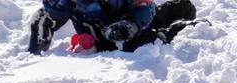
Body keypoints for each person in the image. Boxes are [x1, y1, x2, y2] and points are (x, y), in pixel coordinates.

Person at [28, 0, 200, 54]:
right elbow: (50, 15)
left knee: (184, 8)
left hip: (134, 22)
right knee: (136, 46)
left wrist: (131, 25)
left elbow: (145, 5)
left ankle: (195, 29)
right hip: (107, 41)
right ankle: (173, 31)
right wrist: (36, 50)